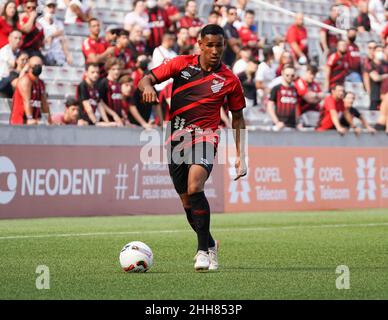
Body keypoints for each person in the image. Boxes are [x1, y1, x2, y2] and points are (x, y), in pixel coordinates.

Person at [138, 24, 247, 272]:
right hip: (176, 138)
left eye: (219, 45)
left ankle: (201, 252)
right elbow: (147, 79)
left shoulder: (230, 80)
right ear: (200, 44)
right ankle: (210, 244)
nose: (215, 50)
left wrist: (241, 155)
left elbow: (238, 118)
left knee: (195, 186)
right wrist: (146, 88)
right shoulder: (180, 64)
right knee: (188, 204)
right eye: (210, 45)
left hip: (206, 136)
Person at [10, 55, 52, 125]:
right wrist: (30, 118)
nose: (38, 67)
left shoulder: (41, 83)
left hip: (34, 121)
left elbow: (44, 104)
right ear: (29, 67)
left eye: (39, 65)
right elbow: (26, 101)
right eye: (35, 65)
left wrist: (50, 120)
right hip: (20, 121)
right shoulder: (26, 80)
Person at [38, 0, 72, 66]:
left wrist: (67, 55)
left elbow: (63, 41)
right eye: (49, 6)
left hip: (58, 54)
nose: (51, 9)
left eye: (53, 7)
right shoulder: (39, 22)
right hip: (45, 53)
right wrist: (52, 36)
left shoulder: (59, 23)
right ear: (45, 8)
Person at [267, 64, 300, 131]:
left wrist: (298, 122)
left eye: (292, 75)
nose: (290, 77)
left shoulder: (295, 89)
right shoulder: (276, 88)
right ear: (282, 73)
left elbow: (297, 107)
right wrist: (277, 122)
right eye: (287, 75)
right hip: (280, 126)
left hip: (292, 125)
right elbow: (269, 106)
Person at [98, 57, 125, 125]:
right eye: (113, 69)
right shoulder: (103, 83)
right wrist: (113, 114)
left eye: (118, 69)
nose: (116, 71)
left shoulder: (118, 84)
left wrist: (121, 115)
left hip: (117, 121)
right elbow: (99, 101)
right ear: (108, 70)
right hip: (107, 121)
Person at [368, 44, 388, 110]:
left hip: (385, 95)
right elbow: (376, 78)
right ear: (374, 52)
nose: (380, 53)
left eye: (382, 51)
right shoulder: (370, 64)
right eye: (378, 51)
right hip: (375, 96)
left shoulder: (386, 64)